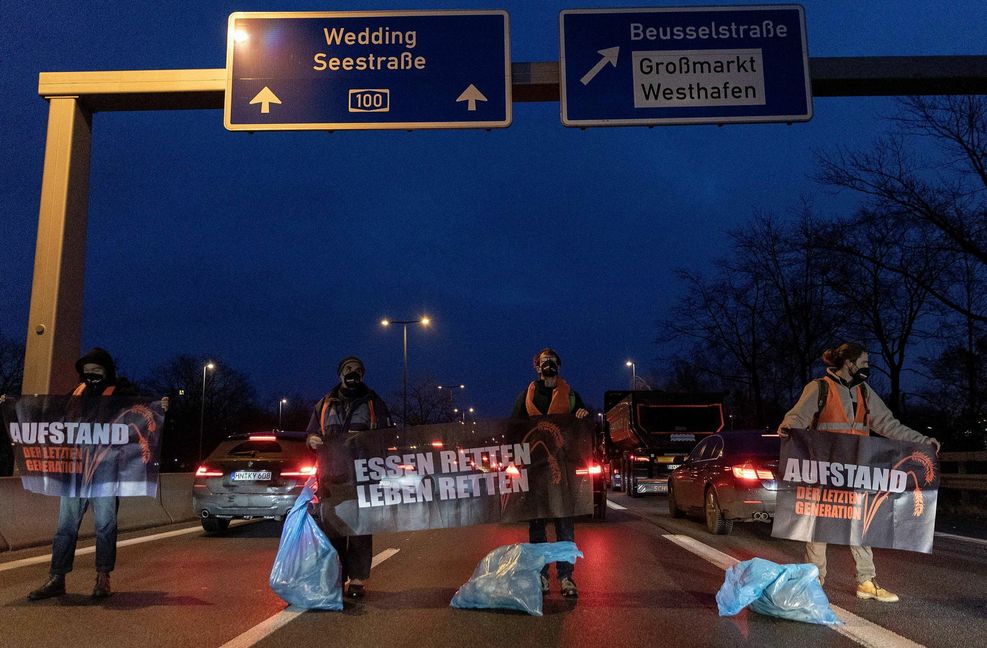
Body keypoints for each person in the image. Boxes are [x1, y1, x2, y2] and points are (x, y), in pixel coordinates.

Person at [778, 342, 941, 603]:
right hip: (826, 470)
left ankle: (866, 581)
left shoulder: (864, 392)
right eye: (864, 363)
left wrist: (921, 441)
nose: (867, 367)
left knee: (861, 524)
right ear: (849, 363)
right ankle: (814, 583)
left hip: (856, 471)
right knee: (820, 527)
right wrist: (789, 429)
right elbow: (797, 418)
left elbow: (889, 424)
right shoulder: (819, 388)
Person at [29, 347, 167, 601]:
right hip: (75, 471)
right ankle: (57, 578)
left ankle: (103, 577)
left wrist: (161, 407)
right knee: (65, 527)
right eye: (87, 372)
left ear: (107, 372)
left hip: (105, 472)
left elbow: (143, 413)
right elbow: (51, 416)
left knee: (105, 526)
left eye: (96, 372)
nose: (91, 376)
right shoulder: (76, 394)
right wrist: (15, 408)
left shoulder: (122, 394)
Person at [307, 356, 391, 600]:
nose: (353, 373)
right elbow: (311, 432)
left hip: (361, 476)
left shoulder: (374, 402)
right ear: (340, 374)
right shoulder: (324, 404)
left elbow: (387, 436)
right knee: (332, 529)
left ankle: (357, 580)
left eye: (357, 370)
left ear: (363, 375)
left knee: (359, 529)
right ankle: (336, 575)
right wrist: (310, 441)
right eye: (348, 369)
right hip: (331, 477)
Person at [511, 347, 589, 599]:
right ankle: (541, 575)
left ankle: (566, 577)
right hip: (536, 472)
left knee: (564, 525)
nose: (549, 365)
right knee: (537, 527)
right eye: (545, 362)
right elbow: (513, 430)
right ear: (537, 367)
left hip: (563, 471)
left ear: (559, 366)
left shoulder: (572, 396)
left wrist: (582, 416)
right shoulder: (525, 397)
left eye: (553, 361)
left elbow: (583, 427)